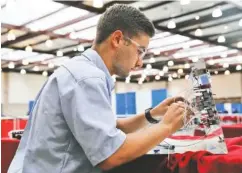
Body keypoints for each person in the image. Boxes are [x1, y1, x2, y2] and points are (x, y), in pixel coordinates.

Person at [8, 4, 189, 173]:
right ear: (117, 39)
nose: (140, 62)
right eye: (140, 51)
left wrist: (153, 114)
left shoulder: (82, 70)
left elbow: (112, 128)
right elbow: (111, 155)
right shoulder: (87, 78)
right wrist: (167, 126)